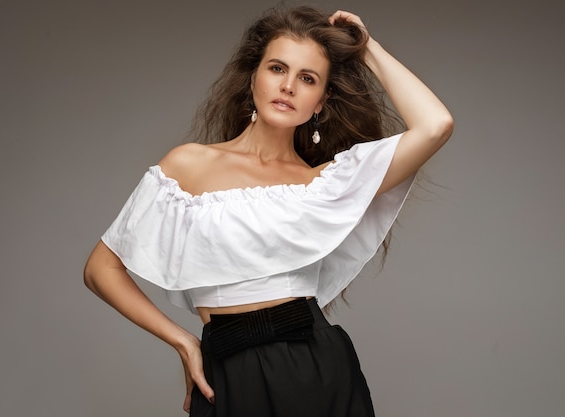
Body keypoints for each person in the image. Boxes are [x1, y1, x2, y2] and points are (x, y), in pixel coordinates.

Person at [84, 5, 453, 417]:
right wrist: (183, 341)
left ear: (320, 101)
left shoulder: (323, 185)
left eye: (308, 78)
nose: (289, 86)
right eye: (278, 68)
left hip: (315, 368)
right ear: (254, 77)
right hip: (224, 370)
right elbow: (101, 269)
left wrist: (366, 48)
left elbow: (435, 125)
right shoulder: (187, 166)